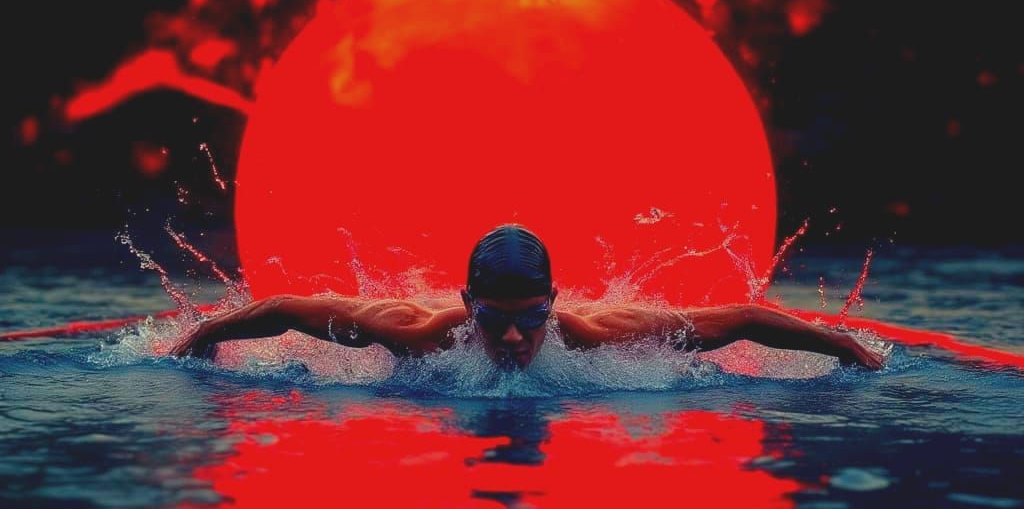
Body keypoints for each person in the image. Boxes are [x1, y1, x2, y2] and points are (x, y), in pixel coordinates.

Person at [170, 224, 884, 370]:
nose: (513, 340)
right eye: (495, 322)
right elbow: (282, 307)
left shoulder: (596, 334)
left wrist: (848, 346)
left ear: (554, 304)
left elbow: (744, 320)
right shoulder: (414, 330)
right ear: (466, 305)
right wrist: (200, 338)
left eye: (530, 320)